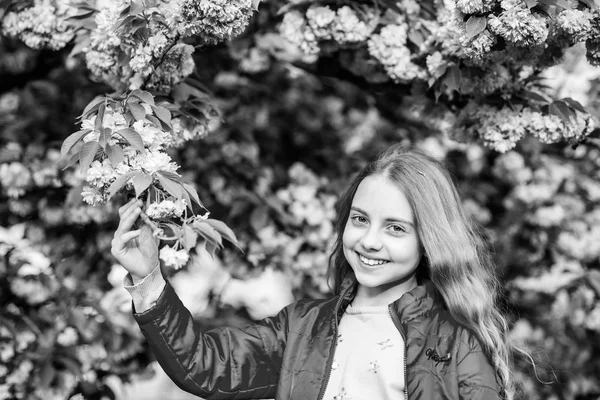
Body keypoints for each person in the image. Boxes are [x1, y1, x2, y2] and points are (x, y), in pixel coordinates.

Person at [111, 144, 520, 400]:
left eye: (395, 228)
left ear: (428, 239)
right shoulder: (302, 327)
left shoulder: (455, 341)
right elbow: (204, 365)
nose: (370, 240)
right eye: (360, 220)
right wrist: (149, 278)